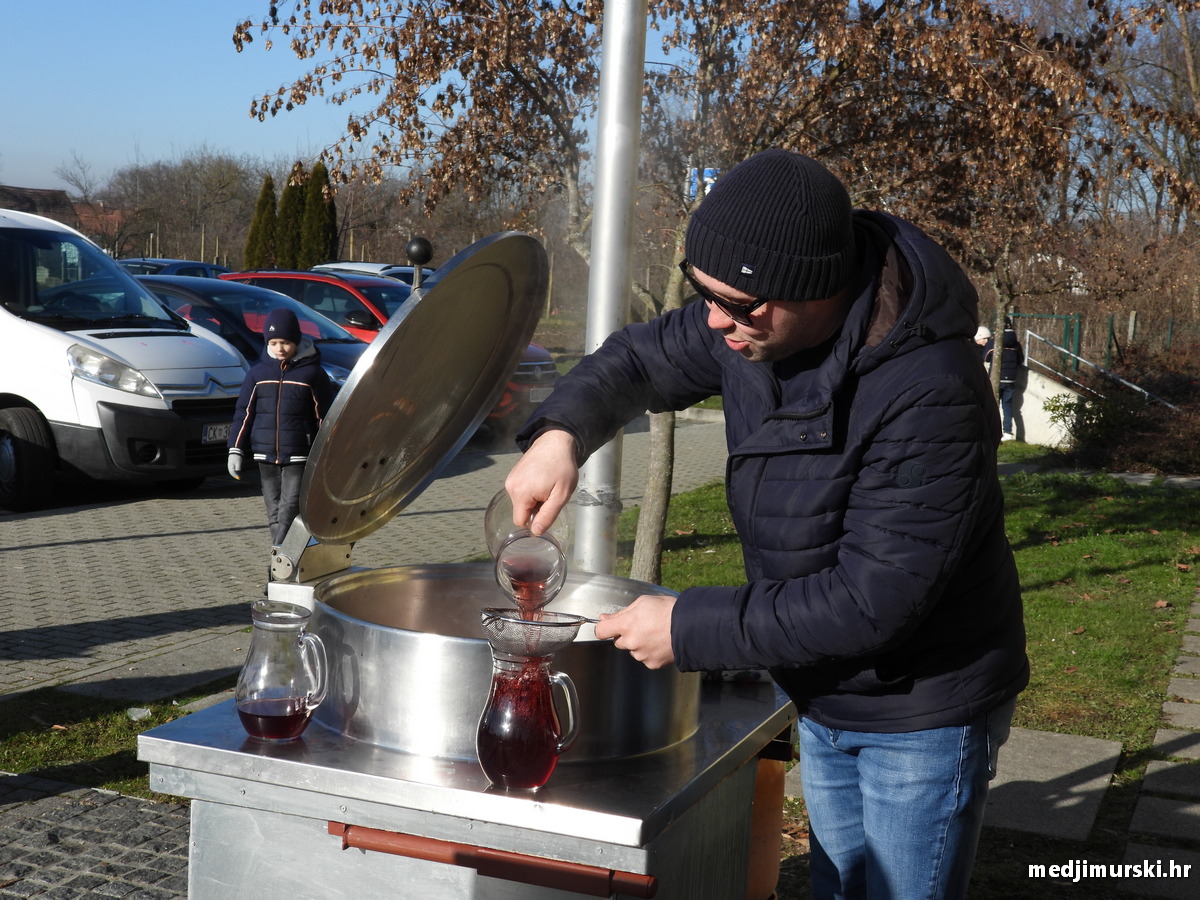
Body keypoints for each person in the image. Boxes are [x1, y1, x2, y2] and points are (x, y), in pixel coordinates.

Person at [504, 149, 1028, 900]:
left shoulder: (929, 391)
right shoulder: (746, 325)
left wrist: (689, 627)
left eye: (740, 307)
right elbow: (638, 360)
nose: (716, 321)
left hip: (923, 708)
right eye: (701, 292)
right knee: (839, 885)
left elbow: (872, 598)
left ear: (820, 289)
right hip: (823, 683)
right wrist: (561, 434)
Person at [227, 307, 333, 552]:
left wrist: (327, 454)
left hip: (298, 453)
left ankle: (279, 561)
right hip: (265, 454)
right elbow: (243, 412)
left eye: (285, 342)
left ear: (296, 340)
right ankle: (284, 561)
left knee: (289, 506)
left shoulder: (313, 374)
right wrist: (235, 449)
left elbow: (324, 417)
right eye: (273, 343)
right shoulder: (257, 373)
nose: (280, 348)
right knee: (273, 509)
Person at [982, 318, 1025, 441]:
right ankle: (1008, 432)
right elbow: (1020, 360)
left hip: (997, 379)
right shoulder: (1016, 344)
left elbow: (986, 357)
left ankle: (993, 431)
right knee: (1007, 405)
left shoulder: (994, 341)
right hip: (1011, 379)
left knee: (993, 406)